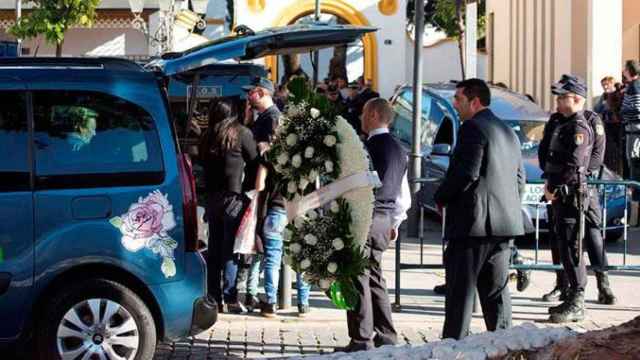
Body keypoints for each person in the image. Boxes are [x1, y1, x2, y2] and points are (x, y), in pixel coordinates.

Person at [434, 78, 525, 340]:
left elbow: (466, 173)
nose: (455, 104)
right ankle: (504, 347)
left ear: (474, 102)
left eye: (459, 99)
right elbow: (518, 181)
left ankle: (453, 349)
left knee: (460, 296)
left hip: (474, 226)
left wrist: (441, 197)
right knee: (496, 295)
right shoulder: (508, 131)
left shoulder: (472, 128)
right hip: (503, 225)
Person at [335, 98, 410, 352]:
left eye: (365, 113)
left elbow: (353, 183)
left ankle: (361, 338)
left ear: (375, 115)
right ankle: (386, 334)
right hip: (384, 218)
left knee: (357, 277)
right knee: (376, 277)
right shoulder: (400, 149)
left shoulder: (364, 148)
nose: (361, 117)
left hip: (363, 216)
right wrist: (396, 222)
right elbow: (403, 193)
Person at [540, 75, 617, 307]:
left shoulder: (590, 120)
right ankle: (563, 283)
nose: (557, 101)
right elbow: (545, 150)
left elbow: (595, 156)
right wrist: (551, 178)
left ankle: (603, 285)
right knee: (560, 235)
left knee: (592, 235)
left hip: (583, 186)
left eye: (562, 96)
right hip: (559, 186)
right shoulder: (556, 120)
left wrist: (580, 177)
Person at [242, 77, 312, 317]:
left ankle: (270, 303)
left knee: (272, 257)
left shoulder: (272, 149)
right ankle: (304, 304)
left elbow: (261, 179)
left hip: (276, 207)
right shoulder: (305, 157)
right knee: (301, 257)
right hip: (299, 208)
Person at [199, 97, 262, 313]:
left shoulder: (207, 136)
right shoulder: (241, 133)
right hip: (234, 197)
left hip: (212, 198)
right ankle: (231, 297)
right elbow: (255, 160)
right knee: (232, 250)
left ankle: (214, 296)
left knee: (214, 249)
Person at [594, 76, 624, 175]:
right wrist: (604, 99)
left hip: (618, 127)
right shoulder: (604, 96)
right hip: (607, 125)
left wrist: (607, 103)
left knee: (617, 153)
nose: (605, 87)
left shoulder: (619, 95)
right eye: (603, 85)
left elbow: (616, 109)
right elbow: (597, 109)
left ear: (612, 84)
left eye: (607, 84)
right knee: (608, 152)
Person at [622, 60, 640, 197]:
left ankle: (635, 192)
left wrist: (623, 113)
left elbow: (635, 108)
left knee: (633, 159)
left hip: (634, 128)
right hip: (634, 128)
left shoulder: (634, 86)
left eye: (625, 68)